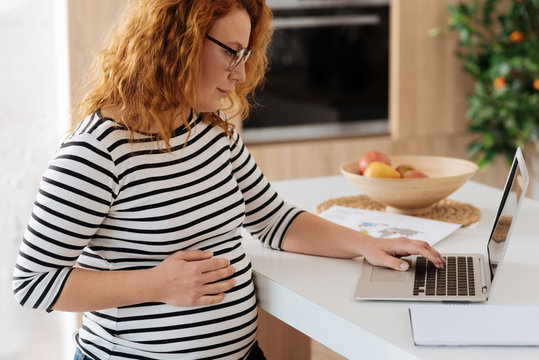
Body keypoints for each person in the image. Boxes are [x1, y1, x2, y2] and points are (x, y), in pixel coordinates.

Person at [12, 1, 445, 359]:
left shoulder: (211, 132)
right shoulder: (98, 151)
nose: (240, 75)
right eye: (230, 53)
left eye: (246, 56)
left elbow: (275, 221)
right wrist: (157, 284)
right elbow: (33, 282)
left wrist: (367, 244)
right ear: (175, 43)